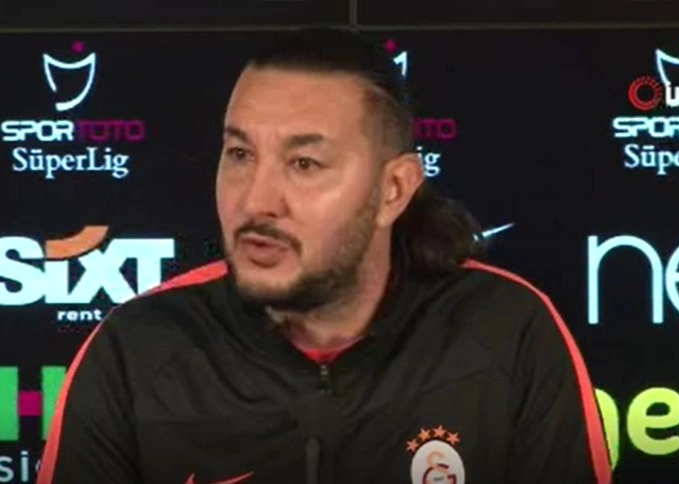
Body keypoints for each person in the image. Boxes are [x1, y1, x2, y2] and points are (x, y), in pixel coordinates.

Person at [36, 27, 611, 484]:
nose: (255, 200)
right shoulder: (136, 351)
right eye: (239, 154)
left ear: (393, 190)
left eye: (304, 164)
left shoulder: (507, 332)